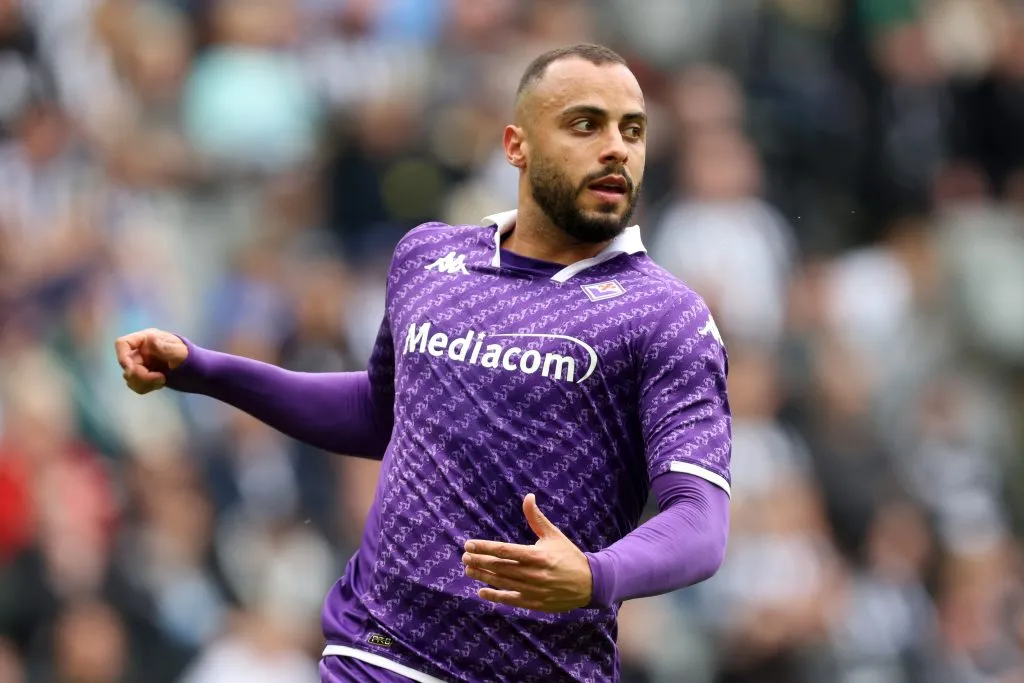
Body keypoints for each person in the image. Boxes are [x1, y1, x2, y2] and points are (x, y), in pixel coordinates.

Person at [114, 44, 732, 683]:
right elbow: (380, 411)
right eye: (586, 124)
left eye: (633, 130)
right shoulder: (429, 259)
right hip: (373, 654)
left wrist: (596, 576)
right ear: (516, 145)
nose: (616, 148)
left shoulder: (664, 316)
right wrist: (203, 370)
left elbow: (700, 520)